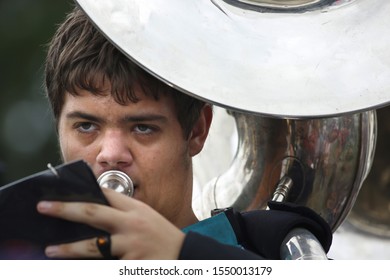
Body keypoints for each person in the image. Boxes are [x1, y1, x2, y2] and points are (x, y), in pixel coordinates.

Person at [37, 5, 331, 260]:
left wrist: (184, 255)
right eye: (86, 126)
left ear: (197, 131)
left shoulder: (273, 248)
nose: (111, 154)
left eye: (143, 128)